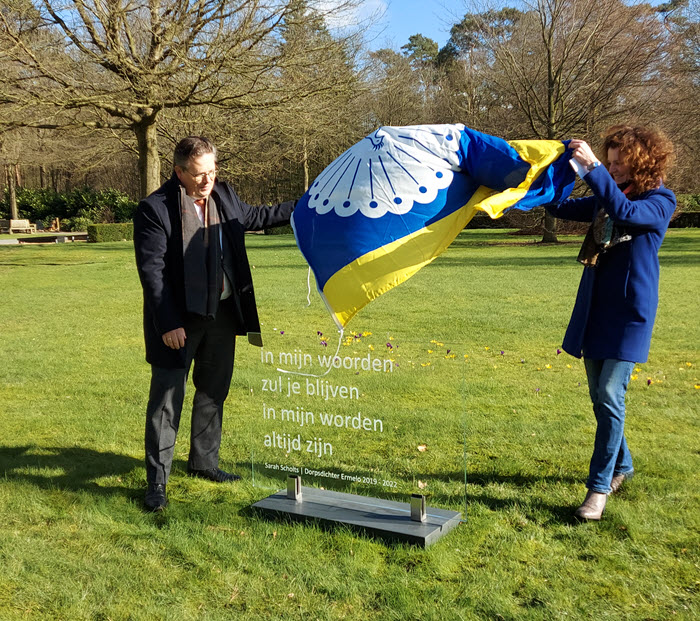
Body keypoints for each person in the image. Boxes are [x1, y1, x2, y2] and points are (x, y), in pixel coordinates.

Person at [133, 136, 295, 511]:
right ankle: (157, 483)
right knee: (166, 402)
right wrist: (168, 323)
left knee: (213, 390)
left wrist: (305, 205)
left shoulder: (223, 195)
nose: (207, 180)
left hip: (222, 313)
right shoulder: (155, 209)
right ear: (179, 172)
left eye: (212, 171)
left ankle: (205, 463)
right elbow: (152, 273)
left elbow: (257, 216)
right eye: (199, 174)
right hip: (178, 321)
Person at [548, 125, 675, 521]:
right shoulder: (607, 196)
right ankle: (623, 465)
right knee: (601, 398)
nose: (614, 167)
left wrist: (593, 170)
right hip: (596, 310)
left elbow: (627, 214)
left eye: (621, 162)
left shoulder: (659, 201)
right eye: (611, 161)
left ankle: (598, 489)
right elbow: (559, 208)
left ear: (644, 161)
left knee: (608, 392)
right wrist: (543, 177)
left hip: (629, 315)